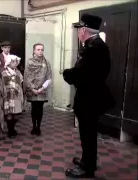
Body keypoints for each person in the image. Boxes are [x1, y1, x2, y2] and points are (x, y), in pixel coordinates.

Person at [63, 14, 113, 178]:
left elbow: (81, 74)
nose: (78, 32)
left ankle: (87, 167)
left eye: (79, 29)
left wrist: (66, 73)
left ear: (84, 30)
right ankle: (86, 160)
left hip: (90, 99)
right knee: (87, 133)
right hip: (91, 96)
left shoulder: (94, 48)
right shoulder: (96, 45)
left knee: (88, 134)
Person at [24, 43, 52, 136]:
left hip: (42, 90)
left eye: (42, 49)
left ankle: (38, 127)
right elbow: (27, 77)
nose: (40, 51)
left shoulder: (46, 63)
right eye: (38, 49)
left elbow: (49, 77)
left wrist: (42, 88)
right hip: (32, 90)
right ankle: (33, 126)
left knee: (40, 109)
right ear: (34, 51)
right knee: (34, 109)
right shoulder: (30, 62)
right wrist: (32, 89)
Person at [0, 55, 23, 139]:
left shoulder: (18, 72)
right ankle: (10, 130)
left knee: (16, 114)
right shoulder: (4, 73)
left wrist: (21, 95)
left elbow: (20, 84)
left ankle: (12, 128)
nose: (15, 63)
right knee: (9, 114)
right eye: (13, 61)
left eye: (16, 61)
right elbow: (2, 85)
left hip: (16, 96)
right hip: (7, 96)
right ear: (8, 63)